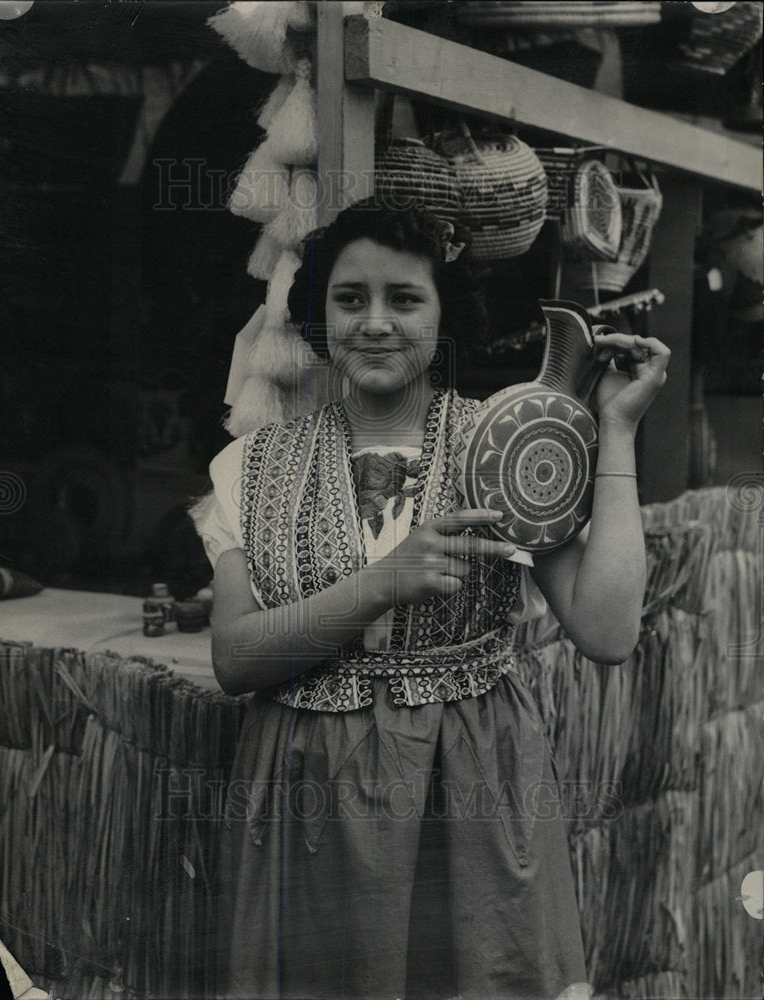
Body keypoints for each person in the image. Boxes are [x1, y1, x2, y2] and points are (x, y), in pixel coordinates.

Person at [195, 198, 670, 999]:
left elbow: (607, 629)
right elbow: (235, 660)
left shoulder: (503, 441)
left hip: (471, 791)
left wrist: (615, 431)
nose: (375, 323)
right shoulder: (251, 464)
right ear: (318, 315)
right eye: (349, 299)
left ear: (447, 314)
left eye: (405, 299)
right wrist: (383, 581)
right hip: (307, 799)